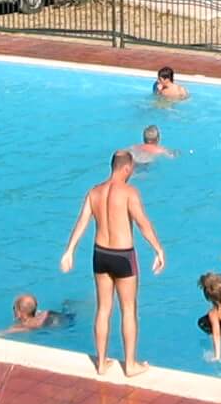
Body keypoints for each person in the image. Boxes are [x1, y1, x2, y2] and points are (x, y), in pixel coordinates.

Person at [61, 150, 167, 377]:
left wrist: (69, 251)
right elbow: (142, 223)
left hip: (100, 253)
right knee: (128, 309)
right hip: (123, 255)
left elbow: (81, 223)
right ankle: (129, 365)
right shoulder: (129, 192)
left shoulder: (94, 192)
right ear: (127, 168)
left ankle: (101, 363)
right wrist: (158, 249)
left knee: (103, 309)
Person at [0, 293, 71, 333]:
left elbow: (3, 333)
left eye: (14, 308)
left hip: (55, 325)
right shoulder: (40, 314)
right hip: (61, 317)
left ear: (19, 313)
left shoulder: (27, 325)